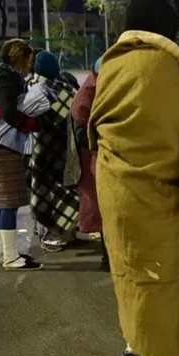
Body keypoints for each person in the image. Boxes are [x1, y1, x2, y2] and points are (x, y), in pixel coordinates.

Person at [88, 0, 179, 356]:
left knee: (130, 273)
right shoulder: (160, 63)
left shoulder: (114, 61)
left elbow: (95, 125)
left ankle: (134, 348)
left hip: (117, 185)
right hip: (152, 192)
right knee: (157, 278)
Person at [0, 38, 42, 271]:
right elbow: (9, 112)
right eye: (28, 59)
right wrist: (29, 123)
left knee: (3, 202)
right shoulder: (8, 79)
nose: (30, 63)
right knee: (9, 202)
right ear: (20, 58)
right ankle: (11, 257)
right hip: (4, 146)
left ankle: (4, 253)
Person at [26, 51, 80, 252]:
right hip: (65, 151)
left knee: (45, 192)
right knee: (67, 191)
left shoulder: (34, 88)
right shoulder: (66, 89)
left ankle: (52, 235)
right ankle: (67, 233)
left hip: (41, 149)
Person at [70, 58, 108, 270]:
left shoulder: (99, 89)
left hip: (102, 159)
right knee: (102, 210)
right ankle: (108, 257)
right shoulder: (86, 94)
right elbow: (80, 134)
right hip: (94, 162)